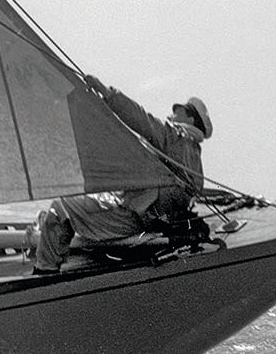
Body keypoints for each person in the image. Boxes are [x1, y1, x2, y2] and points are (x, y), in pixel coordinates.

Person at [29, 82, 213, 274]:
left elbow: (141, 119)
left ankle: (45, 271)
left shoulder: (175, 136)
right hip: (152, 218)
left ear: (190, 119)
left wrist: (108, 94)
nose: (171, 114)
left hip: (132, 217)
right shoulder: (194, 155)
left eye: (178, 111)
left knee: (60, 208)